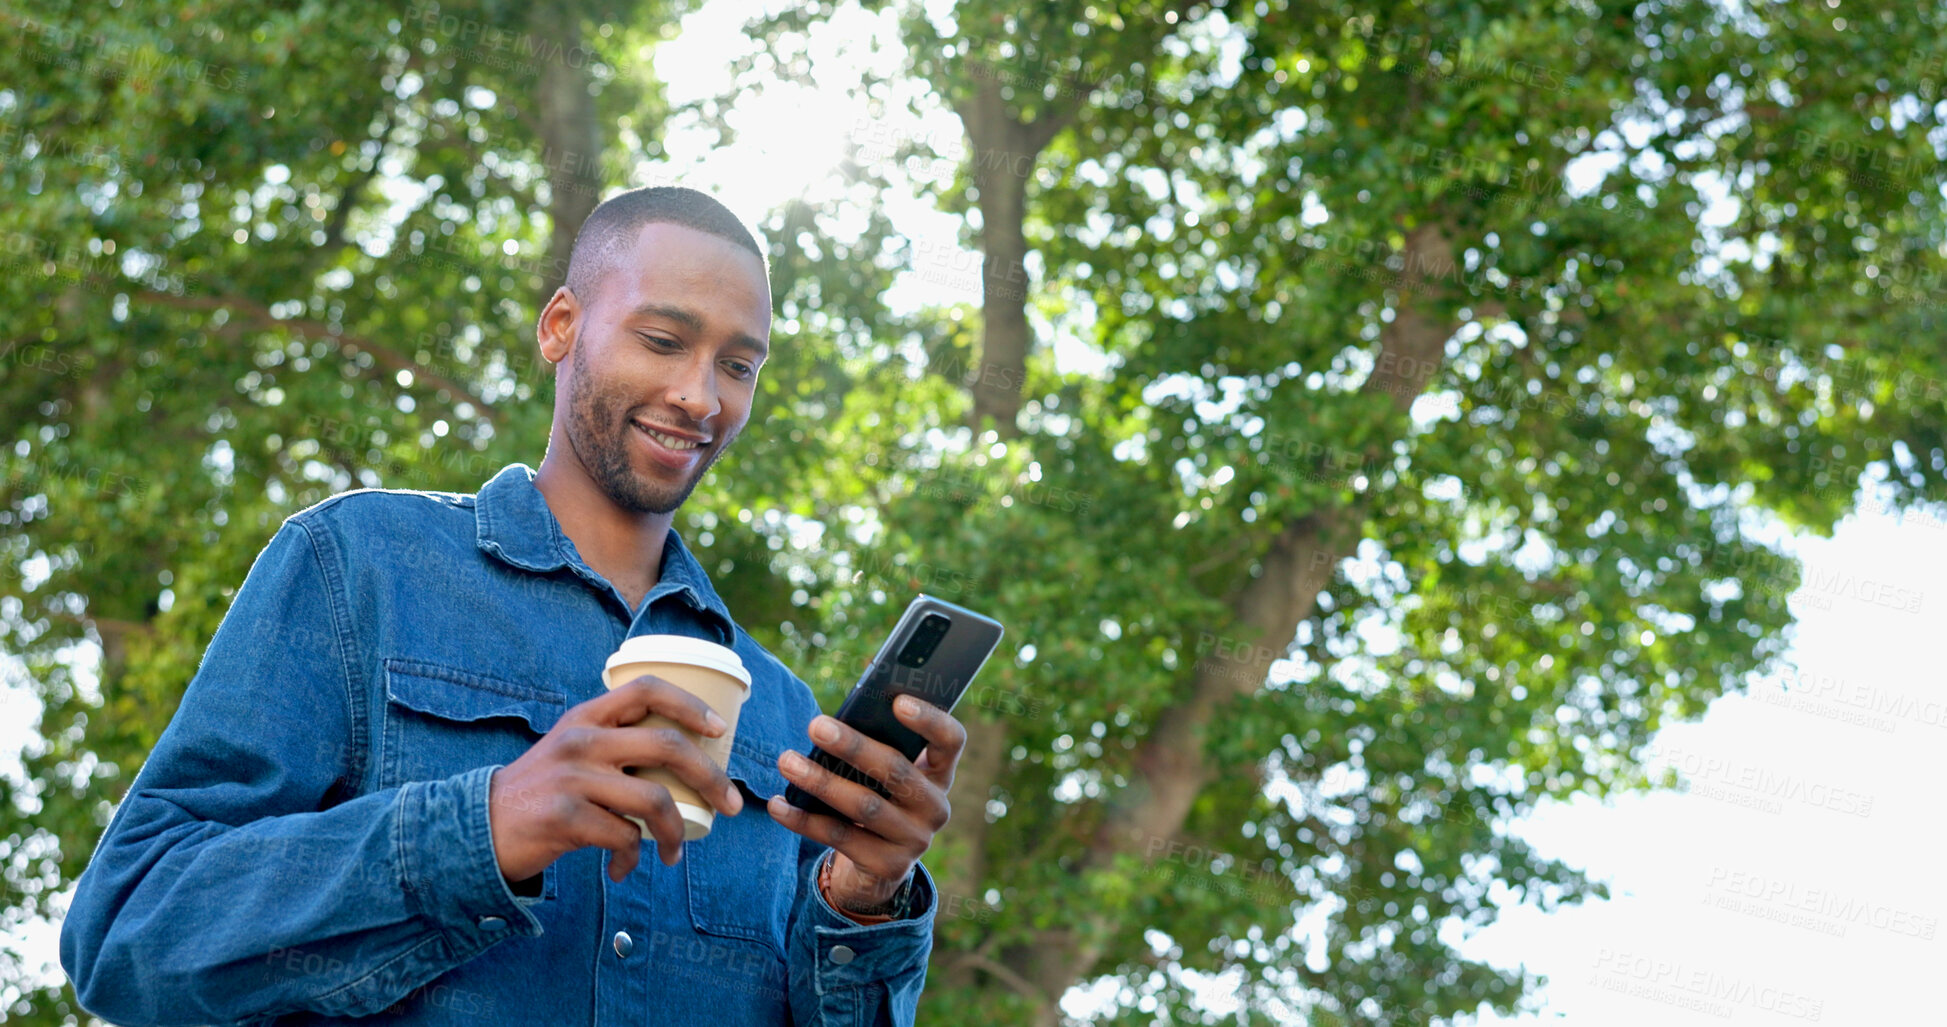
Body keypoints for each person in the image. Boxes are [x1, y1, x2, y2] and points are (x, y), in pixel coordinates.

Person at [59, 186, 966, 1025]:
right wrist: (485, 825)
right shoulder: (359, 566)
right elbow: (130, 933)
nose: (700, 395)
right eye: (662, 340)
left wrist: (863, 898)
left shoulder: (778, 715)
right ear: (561, 326)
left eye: (737, 363)